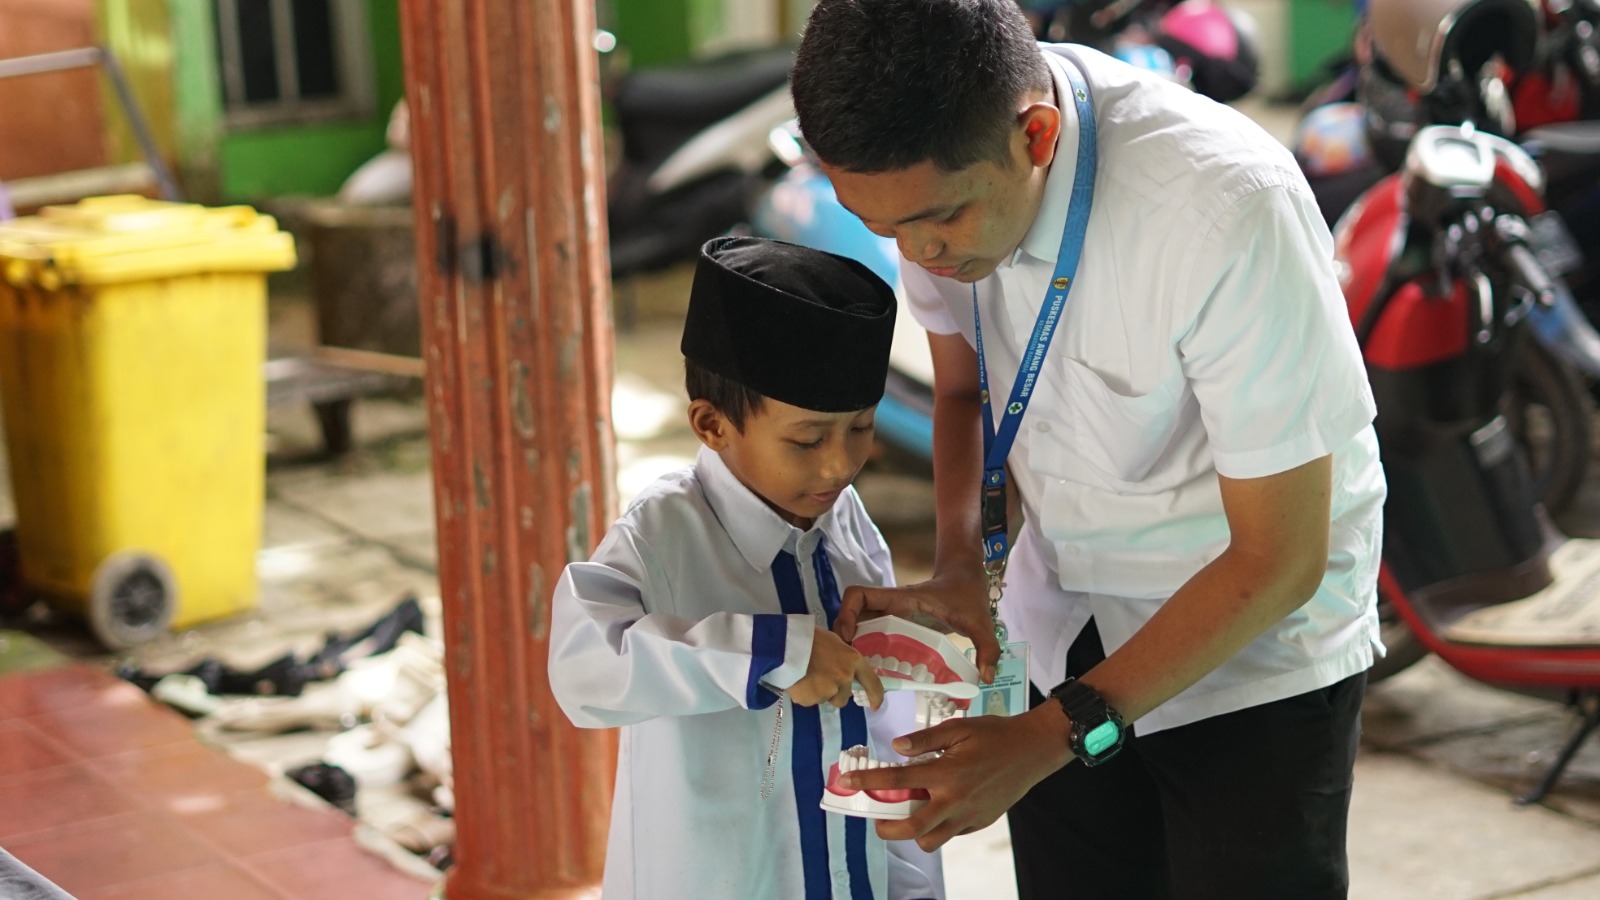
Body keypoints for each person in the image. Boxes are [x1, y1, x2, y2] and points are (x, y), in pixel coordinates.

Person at [789, 2, 1387, 898]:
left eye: (938, 220)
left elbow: (1279, 558)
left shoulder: (1224, 206)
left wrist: (1044, 738)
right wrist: (962, 568)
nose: (918, 252)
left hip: (1245, 648)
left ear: (1035, 136)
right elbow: (964, 391)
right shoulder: (934, 175)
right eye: (884, 227)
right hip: (1062, 613)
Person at [548, 236, 944, 900]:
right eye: (807, 440)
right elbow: (584, 668)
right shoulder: (663, 535)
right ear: (712, 425)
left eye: (861, 429)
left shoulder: (847, 523)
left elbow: (878, 725)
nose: (839, 465)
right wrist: (768, 651)